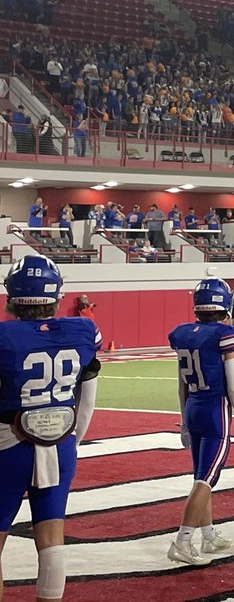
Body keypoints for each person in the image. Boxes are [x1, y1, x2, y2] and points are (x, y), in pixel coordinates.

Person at [0, 254, 101, 602]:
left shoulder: (4, 336)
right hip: (59, 442)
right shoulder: (84, 330)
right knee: (52, 537)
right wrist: (72, 439)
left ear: (12, 296)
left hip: (7, 443)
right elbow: (87, 397)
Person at [166, 277, 234, 566]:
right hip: (215, 409)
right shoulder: (224, 335)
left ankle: (209, 535)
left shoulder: (183, 334)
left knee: (201, 477)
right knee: (206, 479)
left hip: (192, 407)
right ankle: (183, 541)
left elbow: (181, 386)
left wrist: (183, 420)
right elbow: (233, 387)